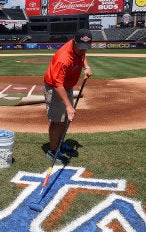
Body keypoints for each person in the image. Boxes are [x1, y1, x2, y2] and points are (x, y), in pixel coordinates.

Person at [43, 28, 93, 163]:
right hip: (56, 88)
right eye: (81, 47)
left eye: (85, 48)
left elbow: (82, 55)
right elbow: (57, 84)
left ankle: (60, 143)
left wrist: (86, 67)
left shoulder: (79, 48)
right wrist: (68, 105)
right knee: (57, 120)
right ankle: (52, 150)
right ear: (74, 43)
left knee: (65, 118)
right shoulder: (63, 58)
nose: (83, 50)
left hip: (67, 86)